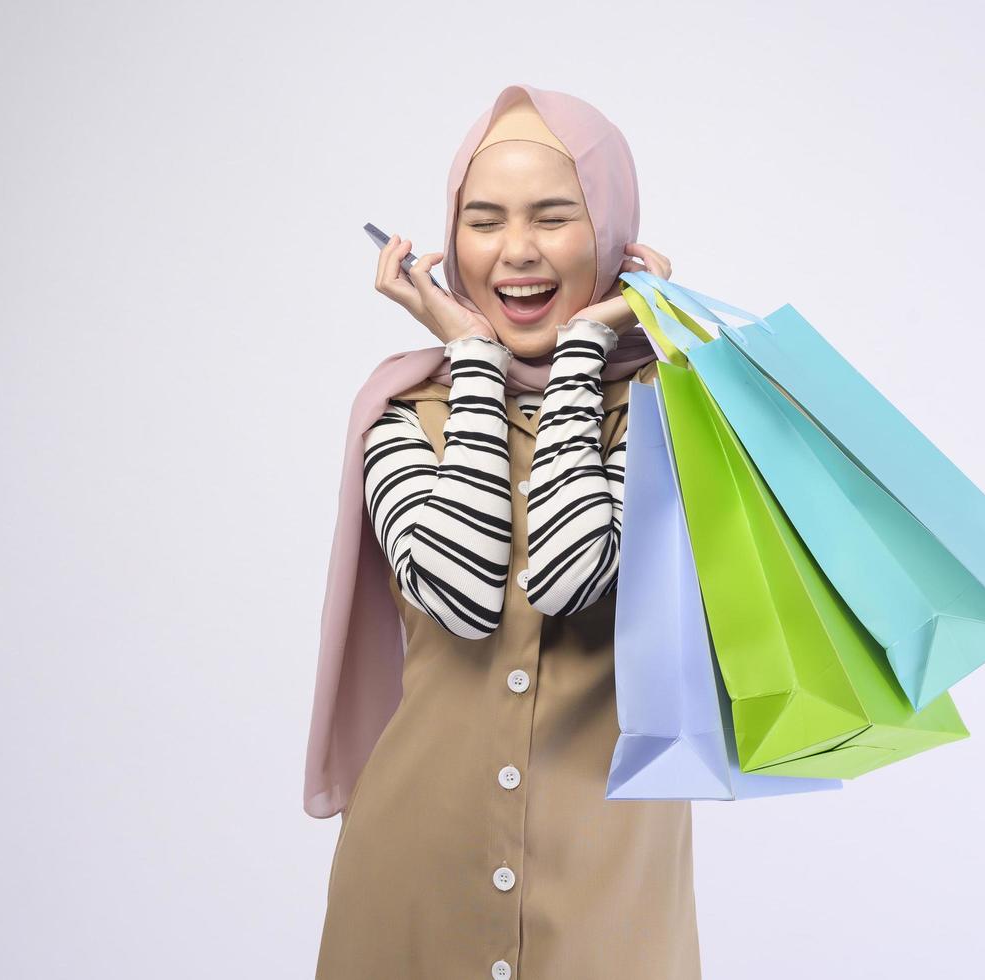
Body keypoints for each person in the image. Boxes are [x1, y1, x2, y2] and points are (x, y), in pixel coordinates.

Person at [307, 83, 700, 979]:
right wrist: (476, 360)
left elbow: (572, 576)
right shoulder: (401, 414)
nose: (515, 251)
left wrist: (583, 354)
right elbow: (464, 596)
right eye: (484, 221)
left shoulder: (675, 414)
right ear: (451, 243)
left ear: (608, 233)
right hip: (410, 882)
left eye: (553, 217)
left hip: (609, 887)